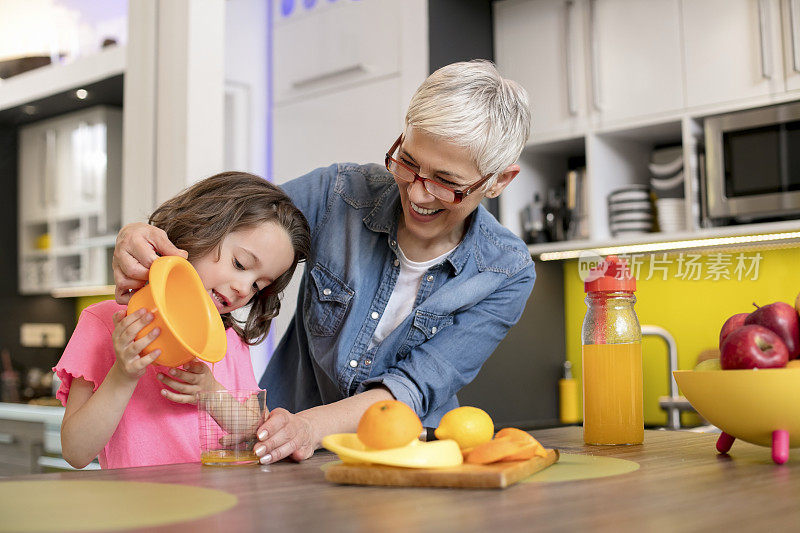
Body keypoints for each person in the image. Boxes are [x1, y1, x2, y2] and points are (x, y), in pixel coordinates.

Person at [112, 60, 535, 466]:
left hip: (407, 456)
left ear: (500, 180)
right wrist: (141, 236)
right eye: (407, 162)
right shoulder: (338, 194)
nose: (417, 193)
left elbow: (415, 384)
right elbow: (227, 229)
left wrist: (308, 427)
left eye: (446, 182)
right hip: (285, 453)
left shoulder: (506, 273)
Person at [55, 172, 310, 469]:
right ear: (200, 228)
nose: (244, 288)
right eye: (240, 264)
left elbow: (255, 434)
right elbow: (75, 451)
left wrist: (213, 396)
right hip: (137, 512)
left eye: (258, 286)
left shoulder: (230, 341)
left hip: (219, 510)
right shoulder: (104, 323)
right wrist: (123, 375)